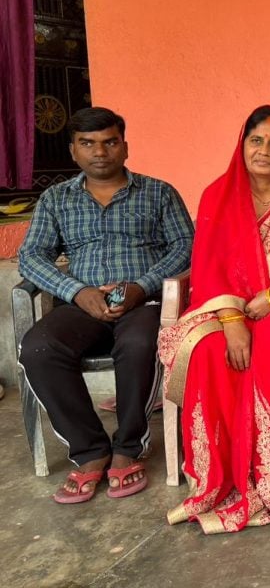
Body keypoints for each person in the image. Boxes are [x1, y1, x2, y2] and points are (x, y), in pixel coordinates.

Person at [158, 105, 270, 534]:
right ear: (242, 146)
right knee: (208, 350)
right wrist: (232, 319)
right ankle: (218, 476)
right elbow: (207, 269)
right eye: (256, 141)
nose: (264, 151)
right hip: (225, 302)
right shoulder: (218, 195)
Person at [18, 107, 194, 504]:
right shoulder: (56, 199)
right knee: (39, 348)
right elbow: (31, 256)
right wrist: (77, 292)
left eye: (110, 142)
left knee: (140, 344)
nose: (100, 152)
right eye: (88, 144)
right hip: (83, 302)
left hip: (143, 301)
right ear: (73, 151)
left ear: (125, 147)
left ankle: (128, 447)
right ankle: (89, 450)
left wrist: (140, 287)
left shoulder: (159, 193)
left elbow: (186, 246)